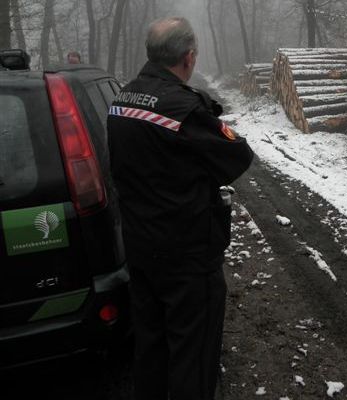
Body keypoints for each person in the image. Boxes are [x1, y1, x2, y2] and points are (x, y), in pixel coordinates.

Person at [107, 17, 254, 400]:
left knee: (152, 348)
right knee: (193, 355)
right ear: (188, 57)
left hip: (140, 249)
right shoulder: (184, 109)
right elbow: (238, 156)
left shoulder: (120, 100)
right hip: (186, 257)